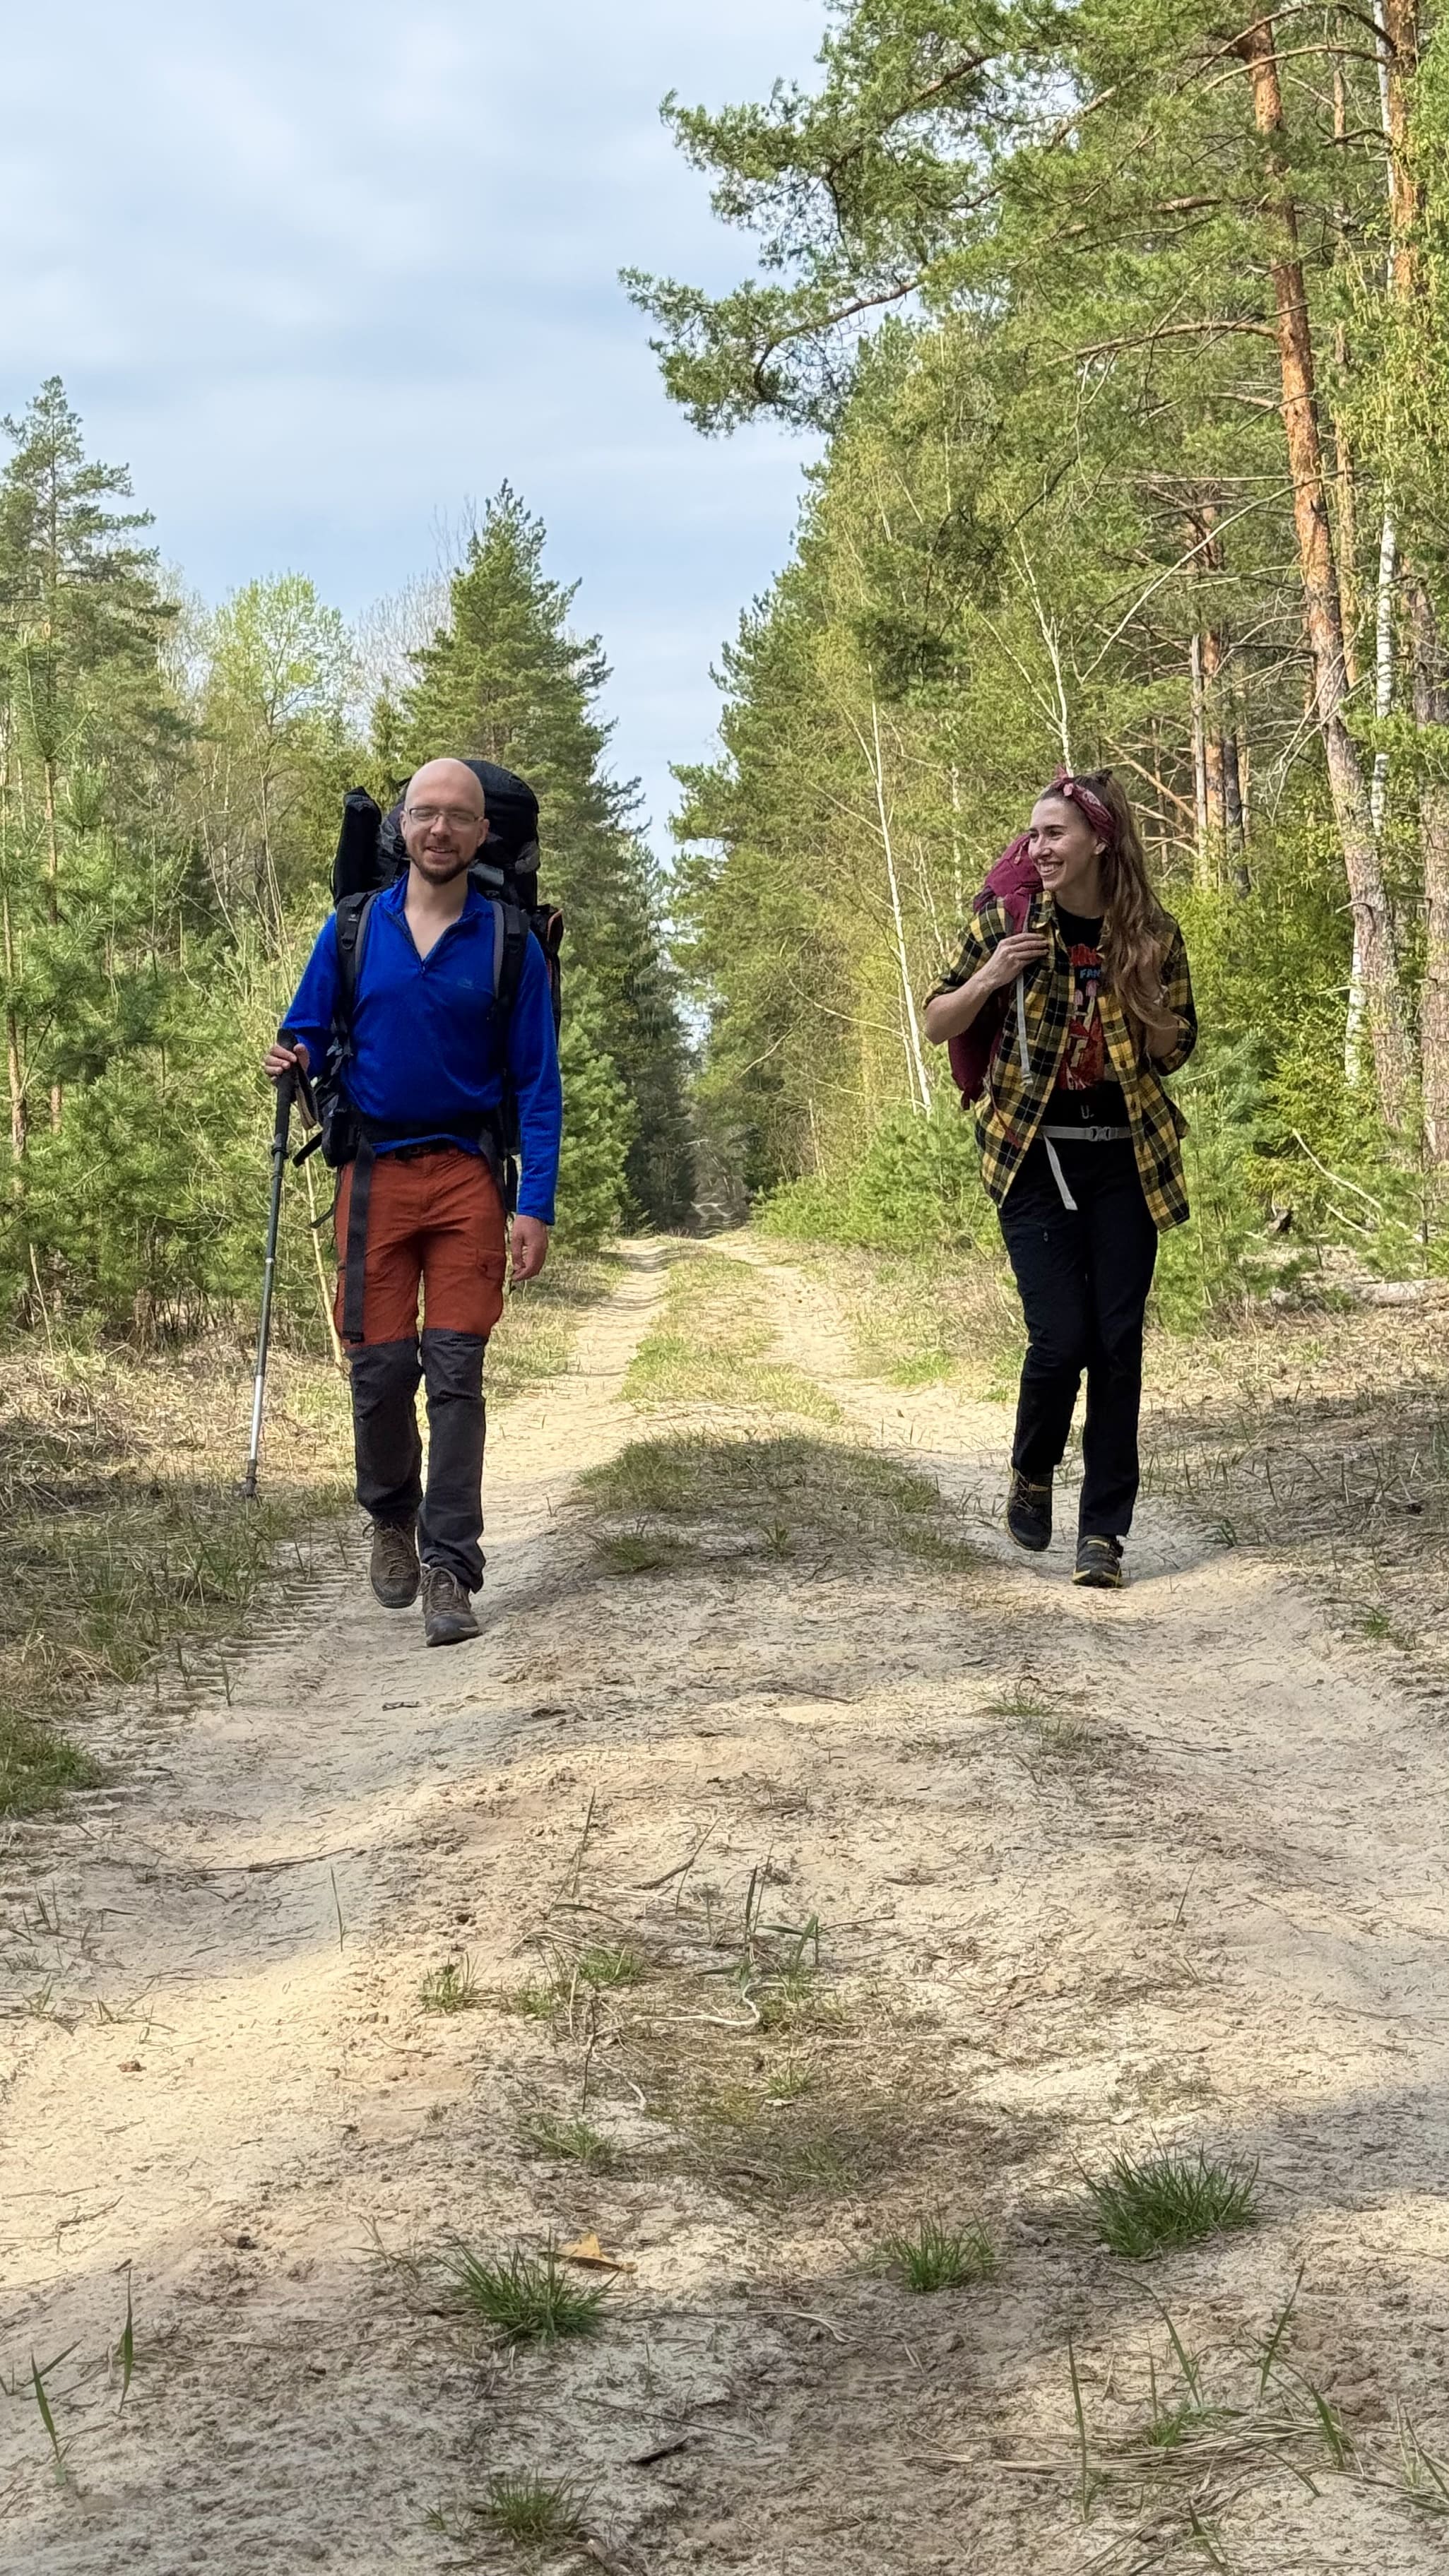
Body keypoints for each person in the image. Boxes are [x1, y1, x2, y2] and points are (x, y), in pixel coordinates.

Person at [264, 758, 563, 1647]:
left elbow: (539, 1086)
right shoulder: (353, 929)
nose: (440, 831)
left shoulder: (509, 942)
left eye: (458, 818)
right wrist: (293, 1061)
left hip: (468, 1175)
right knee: (382, 1370)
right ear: (401, 828)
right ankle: (391, 1515)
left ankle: (449, 1568)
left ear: (481, 836)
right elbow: (307, 1030)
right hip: (372, 1177)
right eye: (425, 815)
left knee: (457, 1369)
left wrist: (534, 1205)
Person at [922, 770, 1196, 1589]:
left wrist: (1141, 997)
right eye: (1033, 835)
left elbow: (1177, 1046)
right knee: (1060, 1339)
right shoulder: (1004, 920)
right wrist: (990, 975)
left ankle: (1102, 1536)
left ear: (1098, 843)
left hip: (1123, 1155)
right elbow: (937, 1020)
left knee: (1117, 1346)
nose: (1036, 848)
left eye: (1054, 835)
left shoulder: (1149, 931)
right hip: (1030, 1154)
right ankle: (1032, 1468)